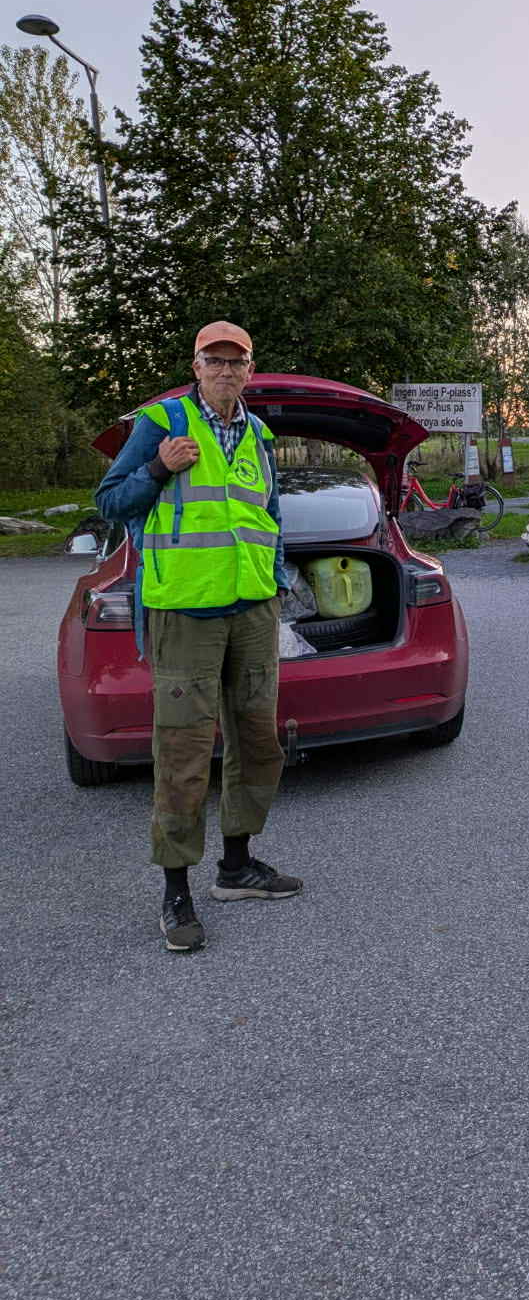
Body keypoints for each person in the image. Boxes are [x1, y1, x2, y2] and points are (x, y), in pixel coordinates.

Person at [96, 321, 302, 953]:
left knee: (258, 740)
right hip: (185, 613)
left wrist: (277, 578)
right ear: (196, 365)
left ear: (249, 368)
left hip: (252, 609)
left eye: (235, 362)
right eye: (213, 360)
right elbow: (110, 503)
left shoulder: (260, 434)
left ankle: (236, 867)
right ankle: (175, 892)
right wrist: (157, 469)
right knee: (183, 754)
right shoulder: (162, 422)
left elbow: (263, 515)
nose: (224, 371)